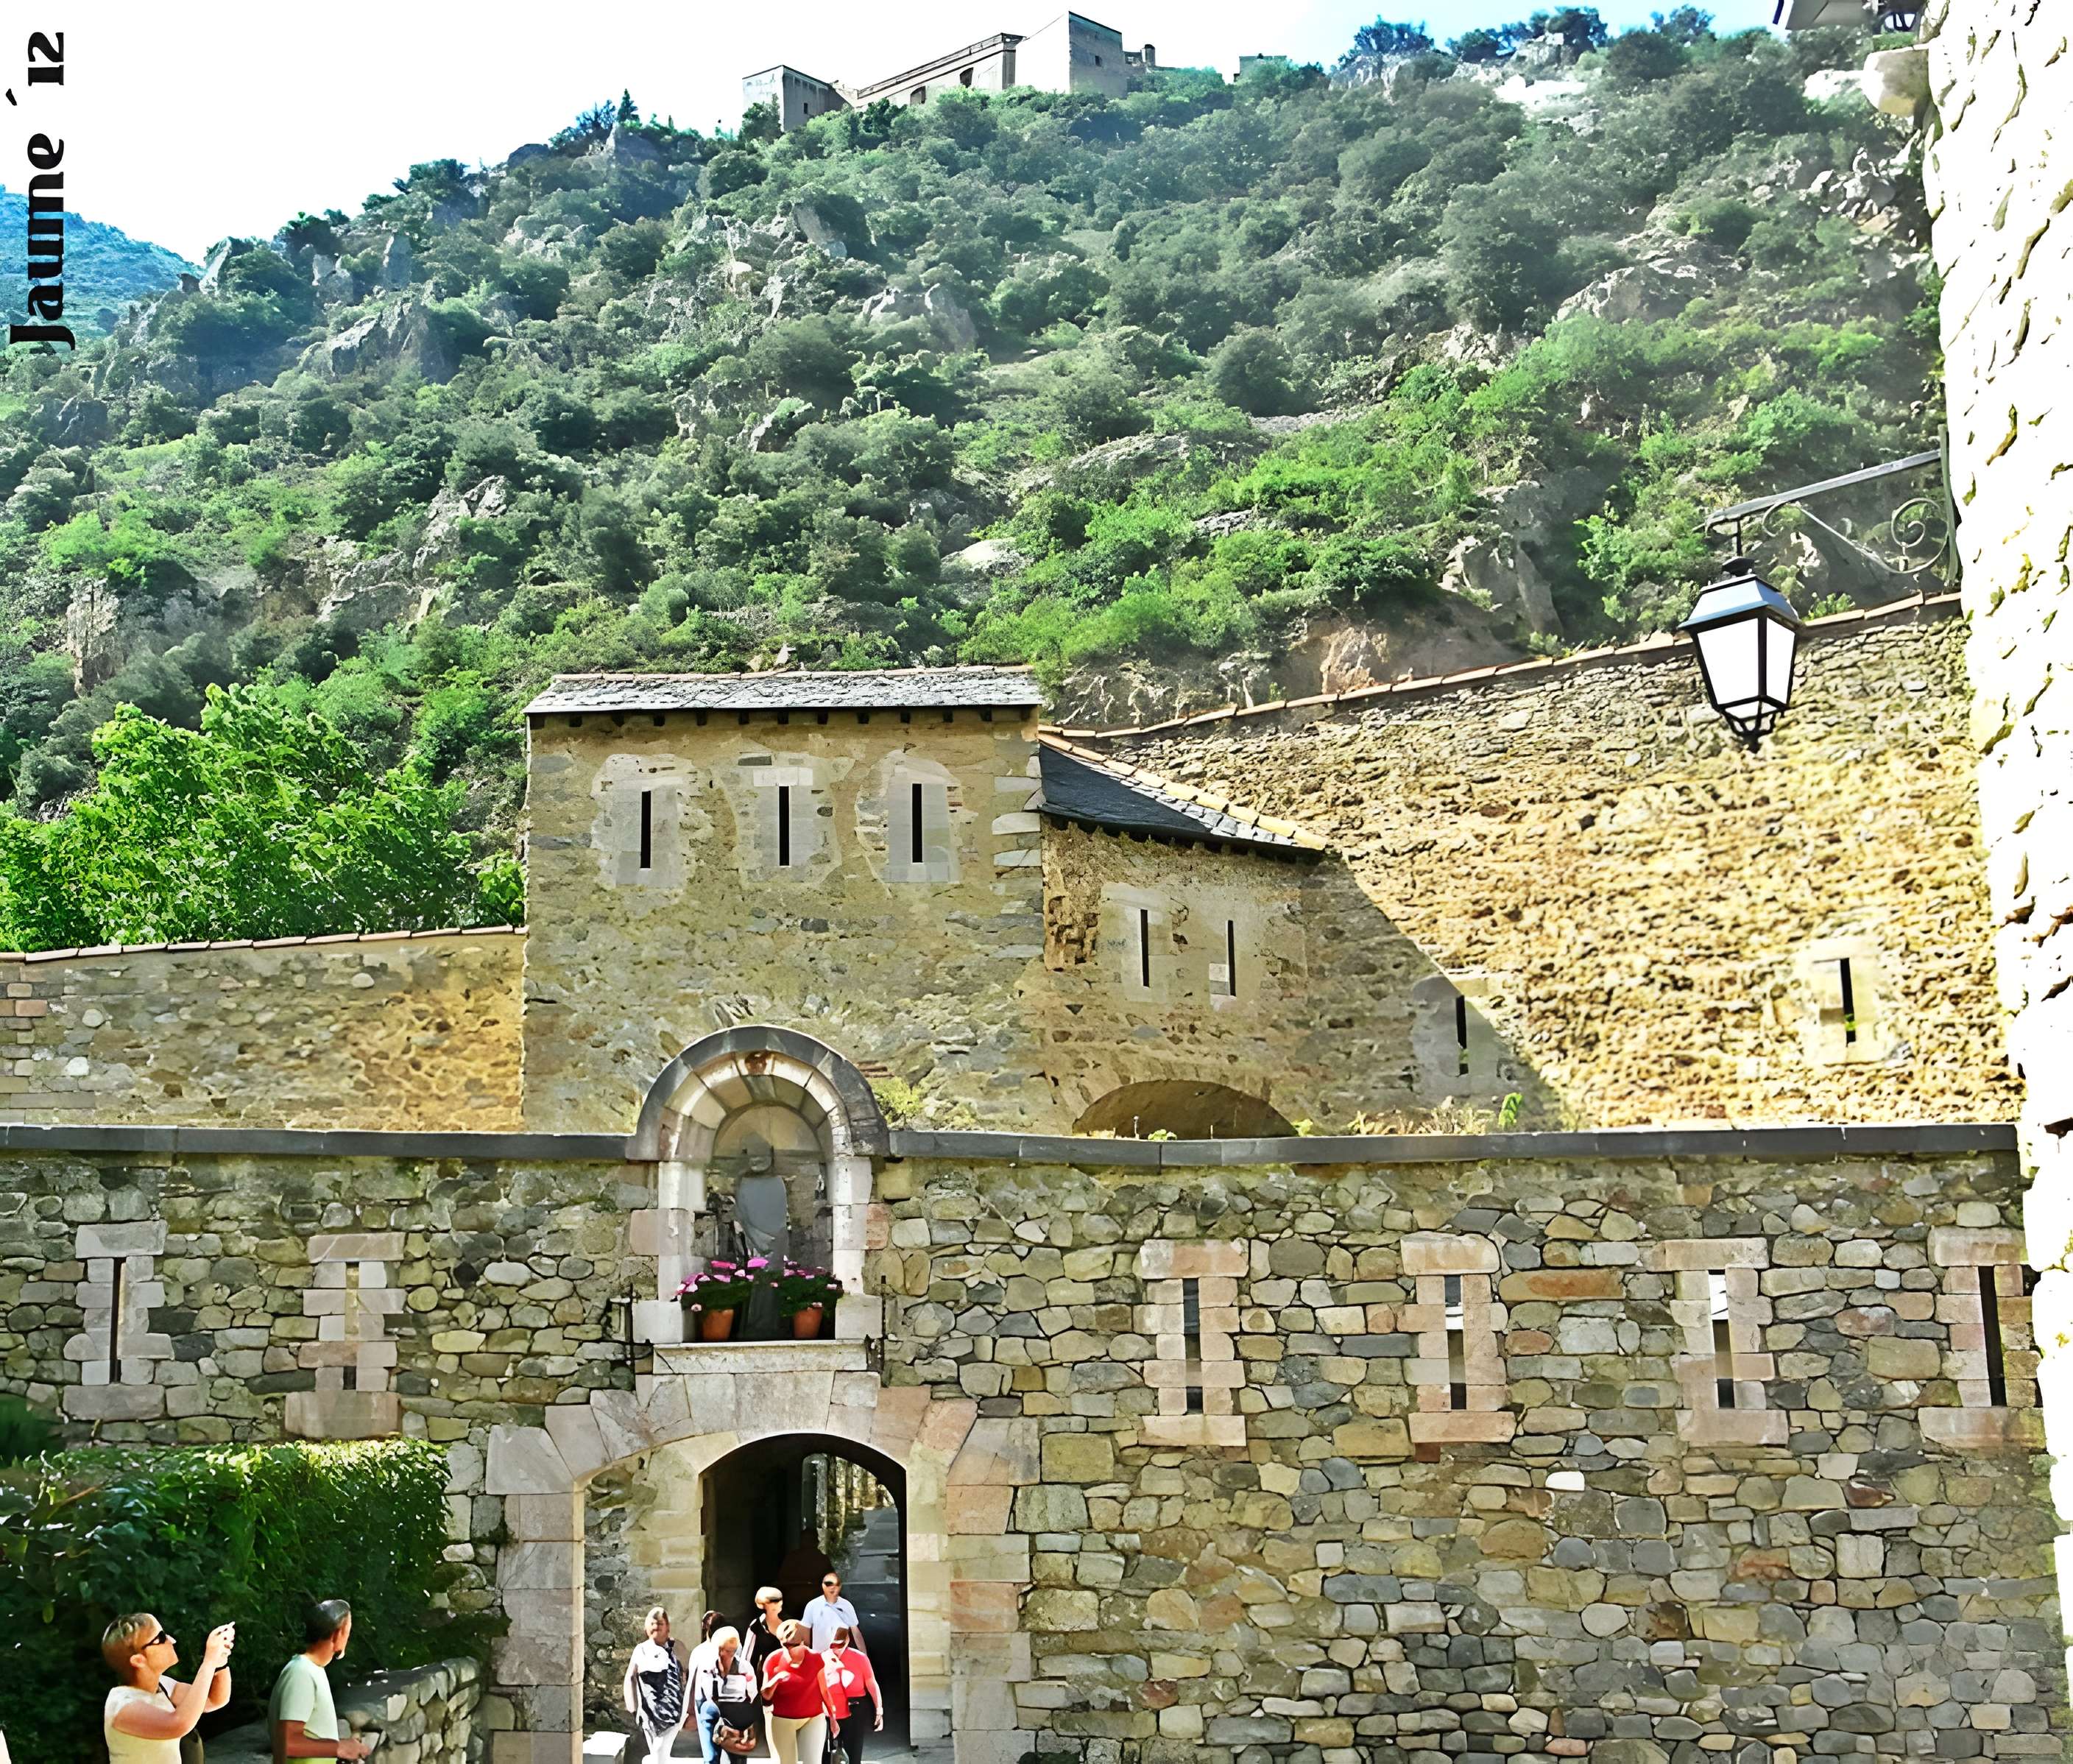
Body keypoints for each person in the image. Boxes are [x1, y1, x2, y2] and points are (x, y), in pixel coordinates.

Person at [102, 1612, 235, 1763]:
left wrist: (220, 1662)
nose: (172, 1640)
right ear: (138, 1660)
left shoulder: (162, 1686)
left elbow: (214, 1700)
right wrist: (209, 1662)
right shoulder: (122, 1706)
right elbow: (179, 1724)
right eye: (161, 1638)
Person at [271, 1600, 372, 1763]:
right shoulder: (301, 1673)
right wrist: (339, 1747)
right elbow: (289, 1743)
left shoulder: (312, 1669)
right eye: (348, 1632)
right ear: (337, 1634)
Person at [759, 1619, 835, 1764]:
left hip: (813, 1717)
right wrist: (776, 1680)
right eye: (783, 1644)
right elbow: (766, 1696)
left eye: (792, 1645)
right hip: (783, 1718)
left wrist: (833, 1717)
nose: (787, 1648)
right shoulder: (773, 1659)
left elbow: (825, 1690)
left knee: (813, 1762)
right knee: (786, 1762)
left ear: (802, 1643)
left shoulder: (817, 1659)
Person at [622, 1606, 687, 1764]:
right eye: (653, 1624)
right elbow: (630, 1678)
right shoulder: (641, 1650)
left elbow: (687, 1676)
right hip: (648, 1713)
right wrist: (633, 1708)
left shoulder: (677, 1647)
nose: (656, 1628)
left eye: (660, 1624)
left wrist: (689, 1709)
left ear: (668, 1627)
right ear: (646, 1626)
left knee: (659, 1751)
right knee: (657, 1753)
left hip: (673, 1712)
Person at [688, 1625, 759, 1763]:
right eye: (725, 1650)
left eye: (732, 1651)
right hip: (711, 1711)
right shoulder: (706, 1666)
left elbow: (752, 1694)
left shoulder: (744, 1668)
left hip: (735, 1713)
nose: (728, 1654)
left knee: (736, 1757)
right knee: (711, 1757)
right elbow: (700, 1695)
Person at [819, 1626, 882, 1764]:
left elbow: (871, 1682)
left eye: (840, 1645)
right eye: (833, 1645)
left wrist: (879, 1709)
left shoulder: (860, 1658)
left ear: (847, 1641)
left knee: (853, 1754)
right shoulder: (822, 1658)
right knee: (825, 1755)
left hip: (855, 1708)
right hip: (829, 1711)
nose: (836, 1649)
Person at [799, 1571, 864, 1656]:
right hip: (820, 1657)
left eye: (836, 1584)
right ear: (823, 1586)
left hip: (842, 1658)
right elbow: (805, 1631)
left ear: (840, 1587)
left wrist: (864, 1656)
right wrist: (806, 1657)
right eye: (829, 1583)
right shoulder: (812, 1605)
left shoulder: (847, 1606)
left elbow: (856, 1632)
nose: (833, 1587)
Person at [741, 1585, 786, 1684]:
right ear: (764, 1605)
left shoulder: (788, 1623)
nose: (779, 1603)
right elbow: (747, 1658)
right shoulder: (755, 1627)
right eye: (774, 1601)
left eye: (779, 1600)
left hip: (788, 1677)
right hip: (765, 1680)